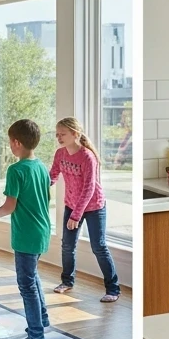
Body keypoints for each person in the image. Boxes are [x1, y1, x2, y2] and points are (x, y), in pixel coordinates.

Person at [0, 119, 52, 339]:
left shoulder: (16, 170)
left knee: (26, 285)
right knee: (33, 277)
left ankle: (36, 336)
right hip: (42, 230)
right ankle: (41, 320)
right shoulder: (42, 166)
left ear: (16, 143)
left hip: (26, 235)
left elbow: (10, 206)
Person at [49, 117, 121, 303]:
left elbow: (89, 189)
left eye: (62, 134)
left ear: (75, 134)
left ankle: (113, 289)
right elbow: (53, 175)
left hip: (94, 205)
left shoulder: (87, 157)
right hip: (72, 204)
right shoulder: (60, 154)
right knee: (67, 245)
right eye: (57, 134)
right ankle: (67, 282)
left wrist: (76, 215)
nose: (59, 137)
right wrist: (40, 186)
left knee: (99, 246)